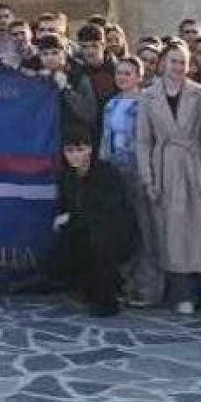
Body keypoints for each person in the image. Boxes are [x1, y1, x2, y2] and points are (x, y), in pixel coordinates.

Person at [133, 45, 201, 314]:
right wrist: (148, 178)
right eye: (173, 61)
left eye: (183, 62)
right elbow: (143, 140)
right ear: (162, 63)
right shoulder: (148, 97)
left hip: (196, 165)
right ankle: (182, 293)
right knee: (173, 233)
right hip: (166, 166)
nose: (178, 67)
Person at [54, 124, 137, 316]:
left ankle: (107, 296)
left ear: (90, 149)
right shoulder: (66, 176)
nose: (75, 155)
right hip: (83, 228)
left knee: (97, 240)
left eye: (80, 150)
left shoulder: (105, 173)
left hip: (111, 231)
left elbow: (111, 211)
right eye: (70, 151)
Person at [98, 56, 161, 307]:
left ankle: (148, 287)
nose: (122, 78)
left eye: (128, 73)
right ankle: (125, 283)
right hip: (116, 171)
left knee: (145, 229)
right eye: (119, 73)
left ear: (139, 76)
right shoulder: (111, 104)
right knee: (122, 230)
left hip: (138, 169)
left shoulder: (146, 103)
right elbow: (105, 138)